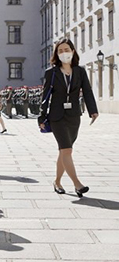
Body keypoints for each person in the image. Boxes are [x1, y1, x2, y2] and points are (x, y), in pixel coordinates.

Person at [38, 38, 98, 197]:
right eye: (60, 51)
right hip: (56, 116)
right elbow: (45, 96)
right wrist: (41, 117)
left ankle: (57, 181)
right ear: (57, 54)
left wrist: (93, 110)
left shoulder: (80, 71)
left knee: (64, 152)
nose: (64, 53)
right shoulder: (51, 73)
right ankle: (77, 184)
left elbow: (87, 91)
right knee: (67, 149)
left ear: (72, 51)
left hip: (73, 116)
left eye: (66, 50)